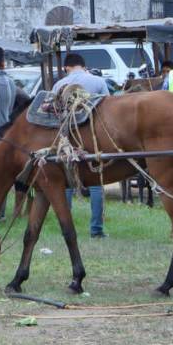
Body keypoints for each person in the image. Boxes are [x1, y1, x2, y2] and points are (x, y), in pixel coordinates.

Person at [52, 52, 110, 238]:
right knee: (96, 184)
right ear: (83, 66)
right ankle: (96, 230)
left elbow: (53, 114)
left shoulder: (59, 85)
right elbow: (110, 108)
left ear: (66, 67)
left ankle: (67, 229)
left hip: (68, 138)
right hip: (94, 137)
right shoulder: (98, 82)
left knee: (67, 183)